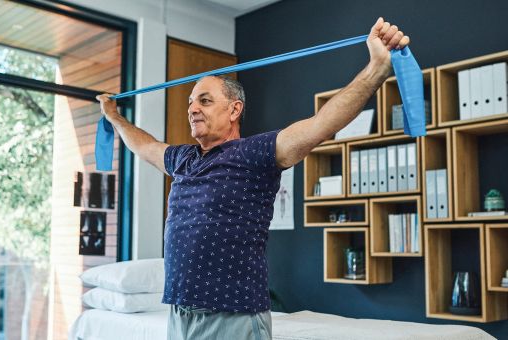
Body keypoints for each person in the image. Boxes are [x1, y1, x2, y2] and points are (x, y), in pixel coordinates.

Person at [96, 17, 409, 340]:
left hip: (234, 314)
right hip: (180, 311)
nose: (192, 109)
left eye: (204, 100)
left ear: (234, 110)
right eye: (190, 102)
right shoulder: (183, 159)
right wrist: (114, 116)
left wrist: (376, 69)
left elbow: (321, 125)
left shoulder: (254, 153)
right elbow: (145, 145)